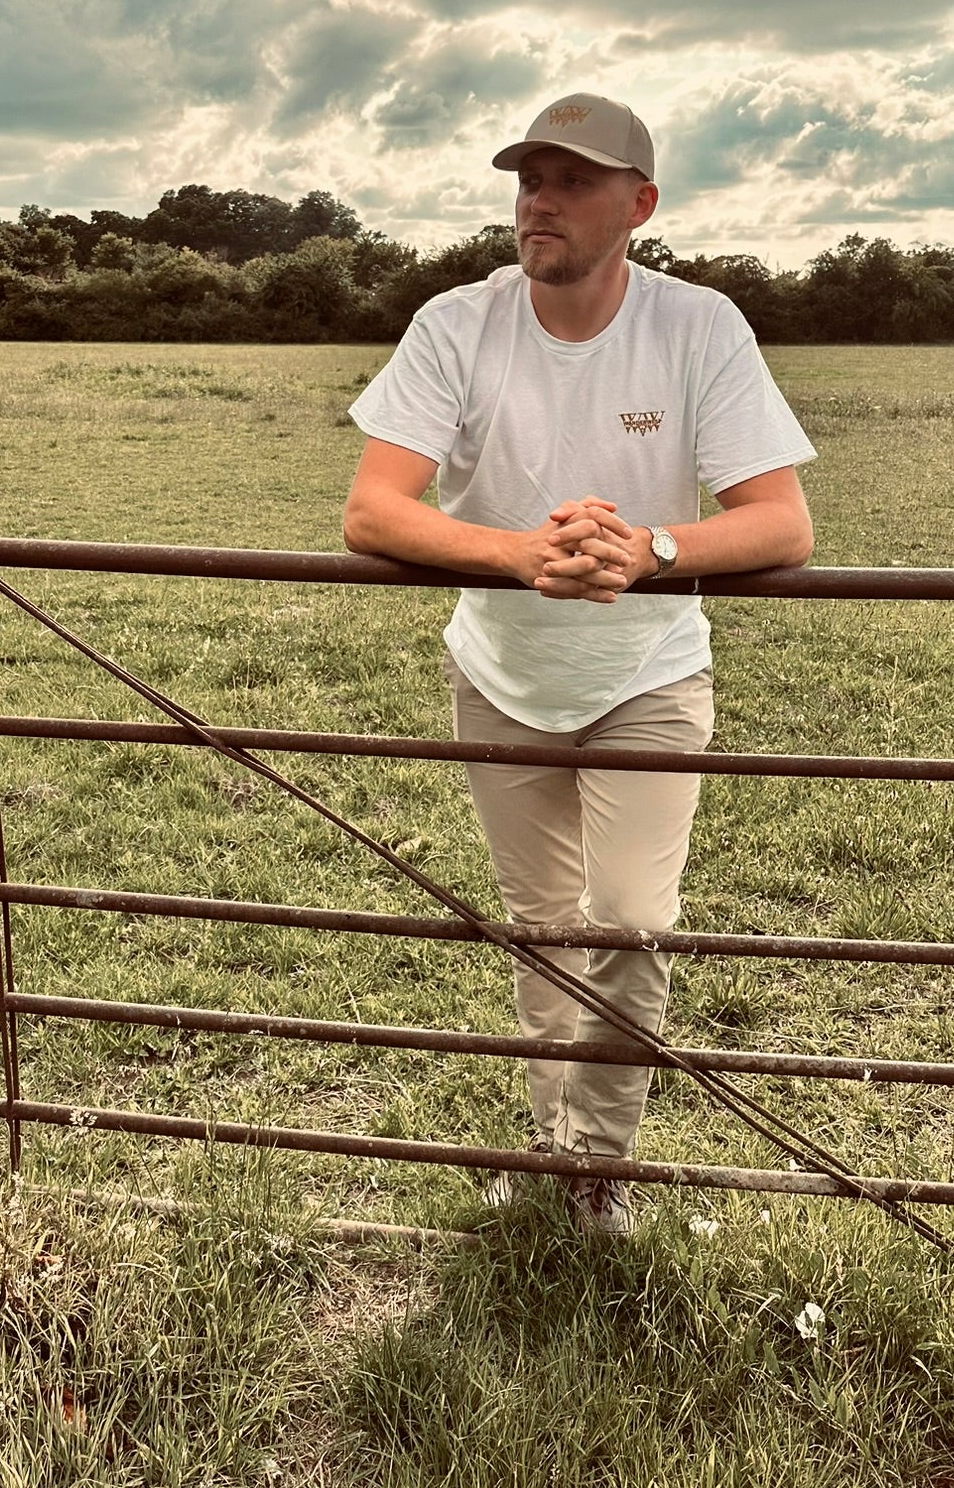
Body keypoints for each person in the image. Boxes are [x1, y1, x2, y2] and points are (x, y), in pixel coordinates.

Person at [343, 91, 816, 1235]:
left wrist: (650, 546)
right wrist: (521, 554)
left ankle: (598, 1169)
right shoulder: (458, 322)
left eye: (570, 181)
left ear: (638, 205)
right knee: (541, 922)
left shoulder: (697, 325)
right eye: (527, 180)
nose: (537, 202)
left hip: (648, 673)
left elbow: (783, 521)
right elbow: (371, 509)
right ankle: (551, 1146)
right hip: (499, 672)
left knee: (631, 923)